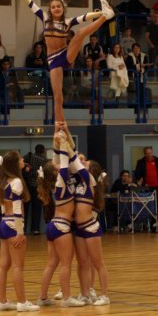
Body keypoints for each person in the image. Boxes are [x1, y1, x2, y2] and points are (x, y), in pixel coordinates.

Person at [12, 0, 111, 129]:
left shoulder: (67, 22)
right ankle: (60, 126)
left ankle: (106, 16)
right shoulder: (44, 18)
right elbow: (29, 2)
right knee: (57, 96)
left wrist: (98, 14)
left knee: (79, 33)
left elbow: (85, 17)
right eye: (53, 7)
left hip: (65, 54)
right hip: (53, 60)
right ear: (50, 10)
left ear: (62, 8)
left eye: (58, 6)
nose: (56, 9)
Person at [36, 139, 86, 308]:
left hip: (53, 225)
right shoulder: (61, 181)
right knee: (66, 263)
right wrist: (63, 144)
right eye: (55, 165)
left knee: (52, 264)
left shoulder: (57, 183)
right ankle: (66, 298)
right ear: (55, 171)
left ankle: (42, 298)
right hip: (61, 226)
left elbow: (60, 162)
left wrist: (58, 140)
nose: (57, 164)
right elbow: (63, 162)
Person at [67, 131, 111, 306]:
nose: (82, 163)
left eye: (86, 163)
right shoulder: (79, 183)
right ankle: (85, 294)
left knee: (98, 263)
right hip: (79, 229)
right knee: (82, 263)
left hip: (90, 227)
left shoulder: (90, 180)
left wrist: (66, 143)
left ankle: (104, 295)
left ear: (91, 171)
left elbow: (74, 160)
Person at [0, 151, 39, 312]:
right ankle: (22, 302)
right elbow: (18, 209)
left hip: (4, 223)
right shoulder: (17, 182)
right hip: (14, 225)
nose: (23, 160)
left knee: (3, 265)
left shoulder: (4, 181)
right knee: (18, 267)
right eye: (20, 158)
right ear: (15, 163)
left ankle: (2, 301)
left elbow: (2, 207)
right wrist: (20, 232)